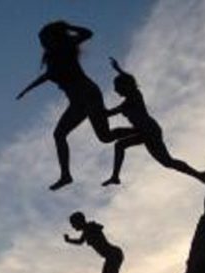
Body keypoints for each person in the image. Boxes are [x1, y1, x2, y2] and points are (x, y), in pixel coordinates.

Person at [15, 21, 135, 190]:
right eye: (41, 41)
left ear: (54, 38)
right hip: (79, 100)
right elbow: (47, 76)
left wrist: (66, 27)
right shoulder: (52, 59)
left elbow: (87, 33)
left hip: (87, 94)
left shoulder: (66, 47)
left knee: (98, 136)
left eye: (44, 39)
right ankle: (66, 175)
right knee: (100, 137)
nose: (42, 43)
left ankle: (138, 130)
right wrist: (27, 90)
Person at [102, 57, 205, 187]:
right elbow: (107, 114)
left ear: (125, 87)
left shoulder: (134, 96)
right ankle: (115, 177)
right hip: (142, 131)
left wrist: (119, 70)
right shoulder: (126, 103)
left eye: (117, 87)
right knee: (120, 144)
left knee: (167, 162)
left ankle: (199, 175)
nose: (115, 90)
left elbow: (129, 82)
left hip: (149, 130)